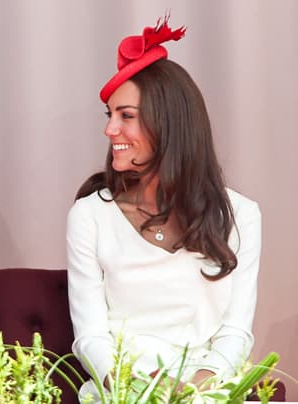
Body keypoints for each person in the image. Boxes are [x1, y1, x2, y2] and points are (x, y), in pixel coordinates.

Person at [66, 16, 261, 400]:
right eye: (110, 116)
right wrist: (136, 390)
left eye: (127, 116)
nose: (110, 131)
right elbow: (90, 335)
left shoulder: (241, 215)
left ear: (168, 123)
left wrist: (191, 389)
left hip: (206, 392)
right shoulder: (89, 215)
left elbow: (235, 332)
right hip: (119, 392)